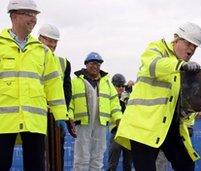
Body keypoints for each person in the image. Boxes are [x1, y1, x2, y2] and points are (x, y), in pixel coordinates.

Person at [115, 22, 201, 171]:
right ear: (175, 39)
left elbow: (184, 101)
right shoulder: (157, 49)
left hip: (168, 126)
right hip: (143, 126)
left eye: (194, 46)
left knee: (186, 165)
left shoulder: (184, 69)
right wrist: (180, 65)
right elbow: (153, 65)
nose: (191, 49)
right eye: (188, 43)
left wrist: (187, 119)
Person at [0, 0, 69, 170]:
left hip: (35, 121)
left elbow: (53, 85)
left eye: (35, 15)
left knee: (36, 166)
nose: (34, 19)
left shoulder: (42, 51)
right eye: (29, 14)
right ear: (14, 16)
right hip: (3, 120)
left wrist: (61, 115)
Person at [69, 52, 122, 170]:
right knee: (81, 156)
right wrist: (70, 117)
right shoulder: (76, 82)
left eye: (98, 64)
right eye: (93, 63)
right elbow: (70, 101)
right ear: (86, 64)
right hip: (83, 124)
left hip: (100, 124)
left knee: (98, 156)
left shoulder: (107, 83)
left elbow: (114, 103)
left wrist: (118, 118)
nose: (96, 66)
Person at [38, 24, 76, 170]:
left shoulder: (63, 62)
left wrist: (63, 112)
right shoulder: (31, 58)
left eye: (55, 41)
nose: (52, 44)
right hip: (37, 112)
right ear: (40, 39)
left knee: (57, 153)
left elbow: (67, 90)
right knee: (38, 153)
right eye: (49, 40)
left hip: (56, 114)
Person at [107, 74, 133, 171]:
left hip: (128, 132)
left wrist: (132, 88)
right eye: (118, 86)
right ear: (113, 86)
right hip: (116, 132)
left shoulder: (127, 96)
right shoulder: (111, 98)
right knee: (113, 162)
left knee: (128, 163)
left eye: (123, 86)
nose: (121, 88)